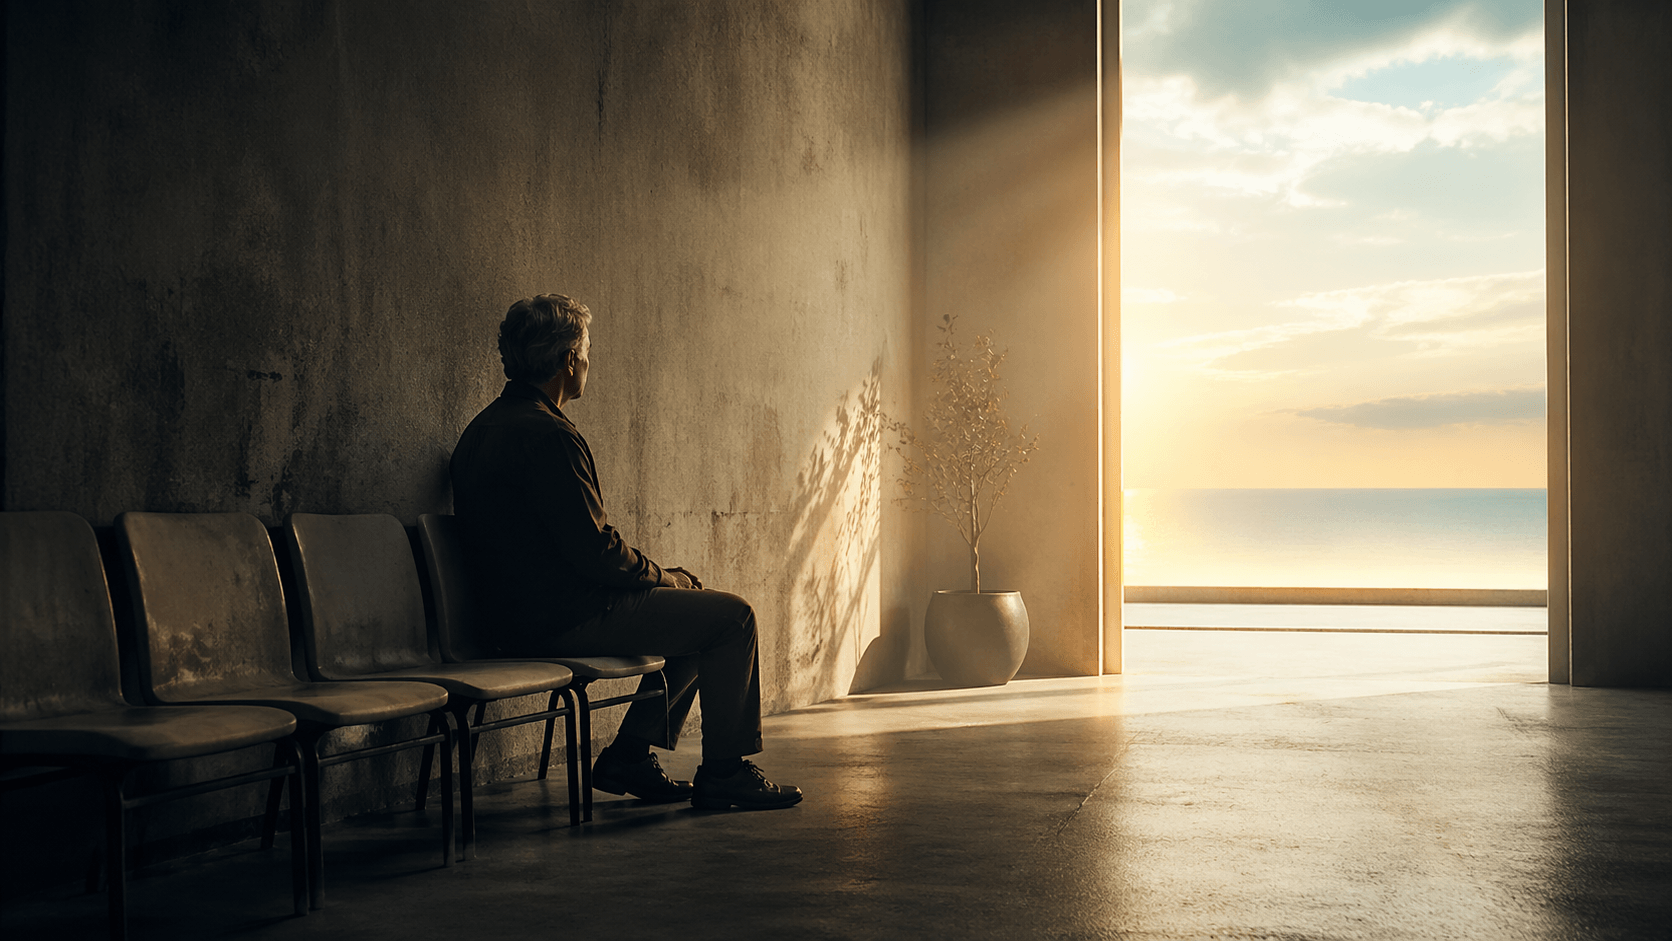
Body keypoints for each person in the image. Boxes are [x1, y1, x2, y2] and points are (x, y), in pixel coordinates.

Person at [449, 293, 801, 811]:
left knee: (696, 616)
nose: (589, 362)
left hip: (505, 618)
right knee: (731, 618)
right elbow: (596, 552)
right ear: (569, 360)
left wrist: (663, 581)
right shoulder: (549, 435)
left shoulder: (480, 430)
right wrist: (666, 577)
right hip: (561, 617)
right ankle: (725, 772)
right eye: (588, 351)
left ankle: (630, 758)